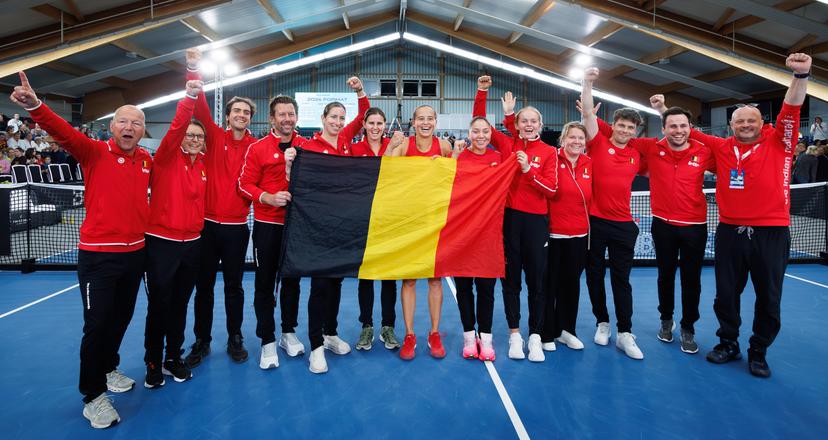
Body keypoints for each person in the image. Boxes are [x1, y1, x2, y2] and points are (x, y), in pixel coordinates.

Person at [11, 71, 152, 428]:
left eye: (137, 123)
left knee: (120, 320)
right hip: (99, 258)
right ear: (111, 126)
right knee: (98, 325)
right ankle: (92, 396)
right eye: (123, 120)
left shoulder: (146, 160)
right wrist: (37, 107)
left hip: (135, 255)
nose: (129, 126)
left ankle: (108, 369)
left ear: (142, 130)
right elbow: (65, 132)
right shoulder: (93, 152)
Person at [679, 53, 812, 378]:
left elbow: (792, 108)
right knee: (726, 293)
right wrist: (661, 110)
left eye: (751, 120)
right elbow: (685, 132)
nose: (745, 125)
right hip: (729, 231)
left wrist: (801, 76)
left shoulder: (781, 140)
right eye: (740, 121)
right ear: (731, 126)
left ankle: (759, 350)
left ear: (762, 123)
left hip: (771, 233)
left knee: (769, 296)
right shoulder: (722, 147)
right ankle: (728, 342)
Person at [184, 48, 258, 367]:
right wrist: (193, 68)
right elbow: (199, 101)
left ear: (250, 118)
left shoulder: (256, 147)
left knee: (233, 287)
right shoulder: (213, 137)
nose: (240, 115)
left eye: (246, 112)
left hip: (237, 229)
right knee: (203, 288)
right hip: (206, 227)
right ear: (227, 116)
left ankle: (235, 336)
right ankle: (201, 340)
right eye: (236, 111)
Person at [626, 99, 715, 354]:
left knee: (691, 280)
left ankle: (688, 327)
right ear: (663, 129)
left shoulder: (704, 151)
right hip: (662, 225)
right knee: (665, 276)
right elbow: (616, 136)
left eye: (683, 126)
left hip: (695, 227)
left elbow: (734, 166)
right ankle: (666, 320)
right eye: (672, 126)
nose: (678, 130)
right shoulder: (652, 148)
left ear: (690, 127)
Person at [300, 76, 369, 373]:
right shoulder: (307, 145)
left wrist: (359, 92)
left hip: (341, 227)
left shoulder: (344, 142)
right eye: (334, 117)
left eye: (342, 118)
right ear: (323, 118)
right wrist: (292, 158)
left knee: (337, 283)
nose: (339, 122)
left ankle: (330, 334)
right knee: (320, 287)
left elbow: (365, 113)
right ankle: (315, 346)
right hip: (316, 227)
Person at [143, 80, 207, 388]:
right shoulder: (166, 158)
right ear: (180, 138)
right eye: (190, 135)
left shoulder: (203, 167)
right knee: (159, 306)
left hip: (192, 246)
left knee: (180, 304)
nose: (194, 139)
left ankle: (173, 357)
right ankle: (153, 362)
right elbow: (178, 124)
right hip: (161, 245)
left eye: (199, 136)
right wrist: (190, 97)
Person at [581, 67, 646, 360]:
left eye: (630, 128)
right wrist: (588, 81)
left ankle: (624, 333)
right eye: (621, 125)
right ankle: (602, 322)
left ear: (635, 132)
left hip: (624, 226)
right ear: (614, 125)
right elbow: (587, 117)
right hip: (595, 222)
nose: (625, 131)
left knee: (622, 279)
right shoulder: (599, 144)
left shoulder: (636, 154)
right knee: (594, 276)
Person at [238, 94, 307, 369]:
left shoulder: (306, 146)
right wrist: (268, 197)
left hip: (297, 228)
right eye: (282, 114)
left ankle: (288, 333)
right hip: (267, 226)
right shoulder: (257, 149)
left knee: (292, 283)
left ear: (296, 117)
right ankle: (267, 339)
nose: (287, 119)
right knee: (264, 285)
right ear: (272, 118)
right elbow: (244, 185)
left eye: (291, 114)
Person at [385, 105, 454, 361]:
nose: (425, 122)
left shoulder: (445, 147)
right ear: (413, 123)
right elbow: (388, 171)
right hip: (409, 221)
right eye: (420, 119)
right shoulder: (404, 146)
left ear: (435, 121)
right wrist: (392, 147)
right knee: (410, 280)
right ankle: (410, 334)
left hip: (435, 221)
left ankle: (434, 333)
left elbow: (456, 178)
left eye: (429, 118)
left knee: (435, 279)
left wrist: (451, 160)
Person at [350, 107, 406, 351]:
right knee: (366, 276)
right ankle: (367, 326)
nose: (375, 127)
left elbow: (401, 178)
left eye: (379, 123)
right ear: (364, 125)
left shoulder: (395, 148)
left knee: (389, 277)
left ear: (385, 125)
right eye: (371, 122)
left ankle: (388, 326)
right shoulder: (354, 150)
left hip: (389, 220)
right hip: (363, 219)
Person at [541, 122, 592, 353]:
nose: (577, 142)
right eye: (572, 137)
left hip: (579, 235)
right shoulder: (552, 158)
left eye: (581, 138)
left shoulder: (589, 164)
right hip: (553, 234)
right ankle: (546, 332)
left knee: (571, 285)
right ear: (563, 139)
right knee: (549, 285)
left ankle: (567, 331)